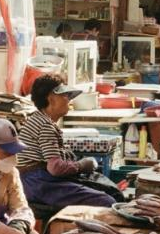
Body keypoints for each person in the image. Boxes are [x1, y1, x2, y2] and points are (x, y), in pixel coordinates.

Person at [18, 75, 120, 212]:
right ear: (51, 99)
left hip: (31, 181)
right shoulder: (45, 126)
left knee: (104, 190)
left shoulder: (36, 119)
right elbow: (55, 168)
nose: (69, 100)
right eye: (65, 96)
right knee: (107, 201)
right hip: (38, 183)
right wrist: (81, 166)